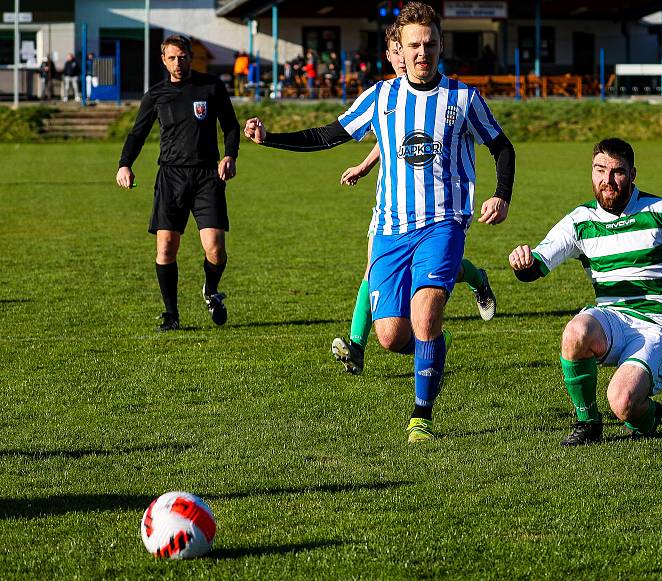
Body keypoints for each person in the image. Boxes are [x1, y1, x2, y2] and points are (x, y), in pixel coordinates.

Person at [244, 2, 515, 443]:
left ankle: (421, 415)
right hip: (391, 228)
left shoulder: (463, 98)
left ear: (440, 45)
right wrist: (270, 138)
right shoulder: (380, 97)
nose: (422, 52)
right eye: (414, 45)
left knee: (426, 315)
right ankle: (434, 350)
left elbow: (502, 147)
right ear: (399, 51)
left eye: (429, 44)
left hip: (444, 221)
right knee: (391, 336)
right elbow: (327, 135)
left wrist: (501, 195)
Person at [508, 138, 662, 446]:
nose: (607, 181)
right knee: (576, 331)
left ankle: (647, 415)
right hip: (612, 319)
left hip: (655, 325)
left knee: (623, 404)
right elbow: (535, 269)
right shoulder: (580, 221)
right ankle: (587, 422)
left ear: (633, 174)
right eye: (599, 170)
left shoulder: (661, 210)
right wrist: (521, 263)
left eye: (617, 172)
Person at [332, 22, 497, 377]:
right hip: (389, 210)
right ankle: (384, 340)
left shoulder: (452, 97)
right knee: (381, 296)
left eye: (425, 45)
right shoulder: (383, 94)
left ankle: (359, 345)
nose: (408, 58)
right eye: (400, 50)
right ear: (392, 53)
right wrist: (364, 166)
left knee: (419, 300)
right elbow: (389, 139)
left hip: (440, 213)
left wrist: (363, 164)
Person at [116, 34, 240, 332]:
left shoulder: (210, 86)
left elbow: (231, 125)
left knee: (215, 249)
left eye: (182, 56)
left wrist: (230, 156)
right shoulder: (156, 94)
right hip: (171, 177)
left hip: (207, 176)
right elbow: (137, 133)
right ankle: (171, 315)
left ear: (190, 57)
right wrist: (124, 164)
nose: (178, 62)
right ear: (163, 60)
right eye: (172, 58)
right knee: (166, 247)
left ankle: (211, 290)